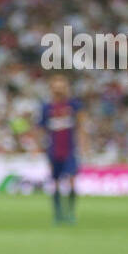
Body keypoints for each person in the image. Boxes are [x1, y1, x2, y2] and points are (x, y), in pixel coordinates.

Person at [39, 74, 85, 224]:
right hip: (53, 150)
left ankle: (70, 212)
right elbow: (40, 129)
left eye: (62, 86)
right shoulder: (47, 107)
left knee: (71, 180)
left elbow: (81, 126)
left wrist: (84, 144)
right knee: (56, 181)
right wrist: (40, 146)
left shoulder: (73, 106)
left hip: (70, 149)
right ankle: (58, 214)